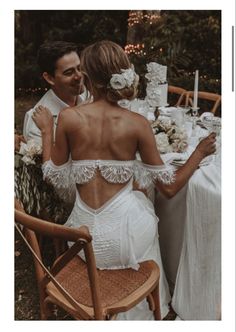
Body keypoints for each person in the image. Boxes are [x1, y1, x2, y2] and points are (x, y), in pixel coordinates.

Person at [32, 40, 216, 320]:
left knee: (137, 196)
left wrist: (47, 131)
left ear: (88, 77)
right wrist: (199, 152)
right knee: (143, 206)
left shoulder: (68, 118)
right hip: (126, 243)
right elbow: (169, 188)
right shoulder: (137, 123)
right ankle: (142, 308)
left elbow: (53, 175)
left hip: (82, 243)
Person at [22, 40, 87, 144]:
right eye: (69, 72)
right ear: (49, 78)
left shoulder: (92, 97)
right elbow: (46, 160)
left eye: (79, 68)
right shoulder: (36, 122)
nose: (79, 76)